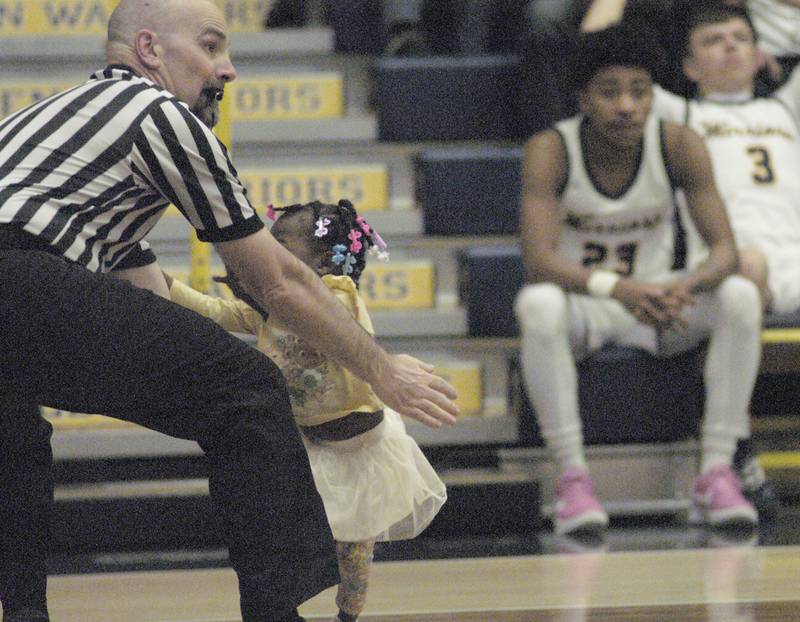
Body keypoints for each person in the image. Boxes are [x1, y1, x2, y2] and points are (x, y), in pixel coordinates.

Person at [0, 1, 458, 621]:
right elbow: (281, 283)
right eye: (212, 47)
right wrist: (380, 370)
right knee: (245, 391)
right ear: (149, 50)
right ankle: (277, 614)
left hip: (23, 291)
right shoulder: (159, 113)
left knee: (15, 444)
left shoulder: (46, 125)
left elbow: (146, 298)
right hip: (22, 282)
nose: (229, 70)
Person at [514, 23, 761, 536]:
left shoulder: (679, 143)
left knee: (738, 294)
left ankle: (716, 470)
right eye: (610, 92)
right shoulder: (551, 149)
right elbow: (539, 260)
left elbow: (725, 250)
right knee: (537, 303)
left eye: (640, 91)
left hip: (660, 302)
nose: (626, 105)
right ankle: (572, 479)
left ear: (655, 96)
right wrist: (621, 290)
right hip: (592, 304)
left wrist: (686, 287)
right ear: (583, 98)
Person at [166, 199, 448, 622]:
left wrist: (261, 289)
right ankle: (281, 608)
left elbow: (319, 315)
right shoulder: (271, 308)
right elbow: (216, 312)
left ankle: (348, 615)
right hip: (309, 443)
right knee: (287, 533)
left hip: (362, 447)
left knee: (353, 556)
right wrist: (163, 285)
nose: (265, 250)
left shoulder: (339, 294)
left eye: (279, 244)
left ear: (321, 261)